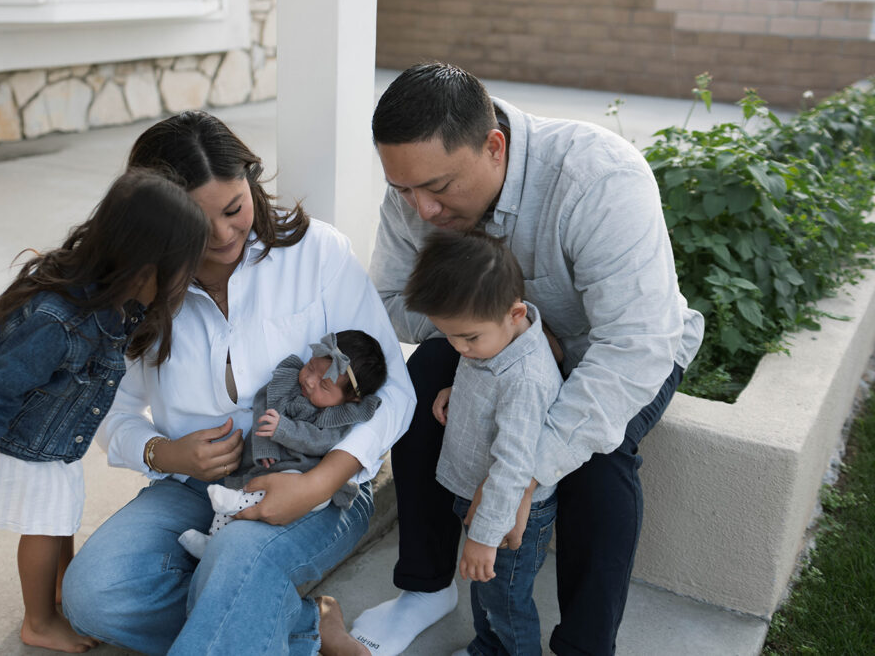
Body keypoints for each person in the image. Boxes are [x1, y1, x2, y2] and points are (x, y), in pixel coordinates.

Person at [352, 63, 705, 656]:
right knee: (420, 386)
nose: (421, 212)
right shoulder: (416, 189)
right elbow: (390, 302)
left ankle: (584, 647)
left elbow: (635, 348)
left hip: (612, 354)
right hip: (494, 348)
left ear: (495, 146)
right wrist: (504, 342)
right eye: (403, 190)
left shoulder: (599, 178)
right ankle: (425, 588)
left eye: (437, 189)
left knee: (599, 457)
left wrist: (526, 475)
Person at [59, 111, 415, 656]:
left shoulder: (318, 254)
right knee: (94, 597)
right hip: (193, 487)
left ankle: (247, 606)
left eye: (234, 208)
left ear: (250, 180)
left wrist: (317, 485)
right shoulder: (143, 288)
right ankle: (304, 628)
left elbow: (395, 393)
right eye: (199, 227)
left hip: (317, 485)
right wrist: (162, 452)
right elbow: (112, 411)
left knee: (235, 559)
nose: (225, 235)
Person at [0, 170, 209, 653]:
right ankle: (39, 620)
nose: (188, 279)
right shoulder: (58, 323)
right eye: (183, 268)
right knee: (46, 521)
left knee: (60, 507)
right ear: (146, 267)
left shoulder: (109, 295)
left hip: (38, 425)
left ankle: (64, 584)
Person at [403, 230, 563, 656]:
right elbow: (481, 371)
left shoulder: (526, 379)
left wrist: (485, 536)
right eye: (450, 336)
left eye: (468, 338)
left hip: (506, 514)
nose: (460, 348)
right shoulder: (492, 338)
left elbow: (515, 466)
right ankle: (486, 649)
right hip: (479, 495)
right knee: (485, 590)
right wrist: (460, 389)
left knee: (504, 600)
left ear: (514, 313)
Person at [179, 329, 388, 558]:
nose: (309, 381)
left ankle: (237, 505)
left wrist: (285, 430)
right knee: (234, 488)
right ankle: (212, 541)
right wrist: (266, 446)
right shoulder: (288, 382)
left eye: (324, 385)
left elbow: (319, 440)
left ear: (351, 398)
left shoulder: (340, 415)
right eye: (310, 367)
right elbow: (263, 408)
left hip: (299, 472)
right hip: (264, 463)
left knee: (313, 496)